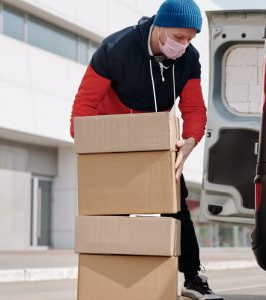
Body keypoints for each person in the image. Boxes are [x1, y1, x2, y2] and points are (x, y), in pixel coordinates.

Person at [69, 0, 222, 299]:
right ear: (160, 26)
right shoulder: (116, 49)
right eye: (179, 37)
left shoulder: (189, 59)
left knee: (177, 208)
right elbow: (84, 104)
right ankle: (109, 281)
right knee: (113, 214)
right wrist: (89, 146)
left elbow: (194, 108)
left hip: (155, 142)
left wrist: (190, 140)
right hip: (113, 141)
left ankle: (192, 277)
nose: (184, 45)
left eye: (190, 39)